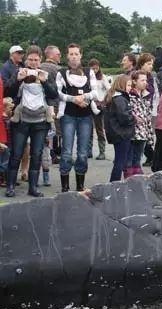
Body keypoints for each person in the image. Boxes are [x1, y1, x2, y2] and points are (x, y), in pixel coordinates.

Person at [4, 45, 58, 197]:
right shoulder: (19, 72)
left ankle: (33, 187)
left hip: (40, 121)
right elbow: (8, 91)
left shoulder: (45, 74)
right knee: (16, 153)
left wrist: (45, 82)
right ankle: (10, 186)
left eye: (36, 60)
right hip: (21, 120)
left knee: (37, 153)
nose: (33, 63)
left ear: (40, 60)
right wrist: (18, 80)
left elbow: (54, 94)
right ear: (26, 60)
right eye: (30, 59)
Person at [56, 43, 99, 192]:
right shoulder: (61, 73)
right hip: (68, 115)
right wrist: (74, 99)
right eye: (71, 54)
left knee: (82, 153)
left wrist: (83, 97)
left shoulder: (89, 72)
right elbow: (58, 94)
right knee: (67, 152)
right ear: (67, 56)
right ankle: (65, 187)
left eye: (76, 54)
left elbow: (95, 92)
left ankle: (80, 185)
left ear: (81, 55)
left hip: (85, 116)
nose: (74, 56)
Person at [103, 75, 135, 182]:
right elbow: (124, 118)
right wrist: (134, 118)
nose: (130, 87)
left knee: (119, 160)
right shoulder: (120, 99)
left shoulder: (113, 97)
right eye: (129, 85)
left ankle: (114, 183)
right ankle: (114, 183)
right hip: (122, 133)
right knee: (120, 161)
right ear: (122, 85)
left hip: (116, 133)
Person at [127, 71, 153, 177]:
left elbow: (148, 115)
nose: (145, 82)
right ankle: (127, 183)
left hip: (142, 133)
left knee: (137, 160)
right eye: (142, 80)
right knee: (128, 161)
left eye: (146, 80)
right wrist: (134, 118)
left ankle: (136, 182)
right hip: (131, 132)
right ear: (134, 81)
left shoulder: (146, 95)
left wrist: (149, 135)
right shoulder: (129, 95)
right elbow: (125, 112)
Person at [39, 45, 62, 164]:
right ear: (51, 55)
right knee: (55, 130)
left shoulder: (39, 67)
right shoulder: (58, 69)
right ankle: (55, 154)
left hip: (40, 103)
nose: (60, 56)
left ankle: (44, 153)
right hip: (54, 104)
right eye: (58, 54)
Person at [136, 53, 158, 167]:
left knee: (147, 136)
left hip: (148, 109)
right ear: (141, 64)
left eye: (152, 64)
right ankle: (150, 157)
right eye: (148, 64)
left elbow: (154, 94)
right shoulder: (135, 76)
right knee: (140, 137)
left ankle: (151, 157)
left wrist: (154, 109)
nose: (151, 66)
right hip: (137, 109)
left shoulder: (151, 77)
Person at [88, 58, 110, 160]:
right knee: (88, 129)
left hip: (99, 105)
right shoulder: (87, 77)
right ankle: (88, 150)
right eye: (93, 68)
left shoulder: (102, 77)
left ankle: (102, 151)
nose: (95, 70)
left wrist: (104, 101)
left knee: (99, 128)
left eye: (96, 68)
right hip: (89, 104)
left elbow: (109, 90)